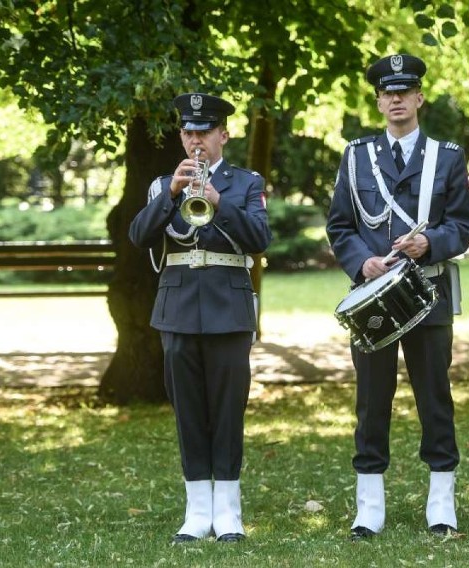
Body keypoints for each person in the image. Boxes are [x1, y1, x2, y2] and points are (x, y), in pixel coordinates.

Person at [326, 53, 469, 539]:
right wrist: (360, 262)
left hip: (427, 294)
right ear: (378, 101)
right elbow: (340, 225)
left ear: (419, 98)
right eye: (387, 93)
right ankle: (369, 506)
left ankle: (441, 503)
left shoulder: (447, 157)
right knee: (371, 400)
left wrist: (431, 242)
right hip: (372, 295)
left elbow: (463, 224)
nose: (396, 100)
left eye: (404, 92)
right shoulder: (356, 156)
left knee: (435, 396)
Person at [129, 92, 271, 543]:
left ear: (222, 135)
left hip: (229, 308)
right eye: (188, 132)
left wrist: (218, 201)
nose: (196, 141)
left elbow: (260, 239)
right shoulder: (161, 185)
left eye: (204, 132)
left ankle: (228, 512)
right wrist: (171, 195)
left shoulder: (246, 182)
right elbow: (138, 237)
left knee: (228, 411)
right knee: (188, 412)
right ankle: (196, 513)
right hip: (177, 308)